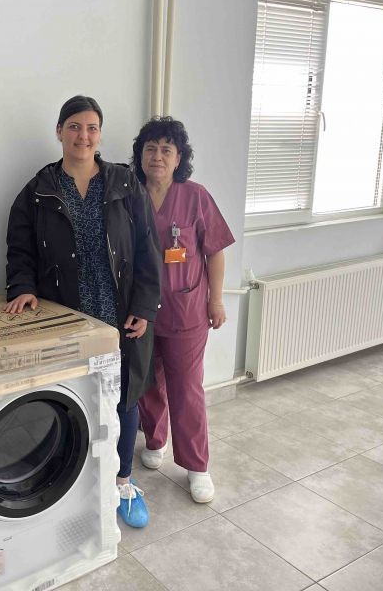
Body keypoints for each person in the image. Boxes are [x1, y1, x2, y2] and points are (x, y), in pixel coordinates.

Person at [5, 96, 161, 528]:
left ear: (100, 135)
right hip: (69, 318)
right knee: (73, 404)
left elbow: (148, 250)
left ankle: (123, 482)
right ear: (59, 131)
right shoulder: (37, 191)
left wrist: (145, 306)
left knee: (124, 400)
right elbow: (20, 251)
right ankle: (76, 489)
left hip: (120, 315)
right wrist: (22, 288)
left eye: (92, 128)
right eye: (74, 126)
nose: (83, 136)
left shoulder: (125, 184)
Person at [131, 116, 234, 503]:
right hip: (142, 310)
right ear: (141, 156)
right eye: (150, 149)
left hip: (187, 310)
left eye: (166, 150)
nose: (157, 156)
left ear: (179, 158)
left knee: (186, 390)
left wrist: (216, 299)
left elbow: (215, 251)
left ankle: (197, 467)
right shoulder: (130, 195)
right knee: (148, 382)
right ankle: (155, 440)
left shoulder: (195, 196)